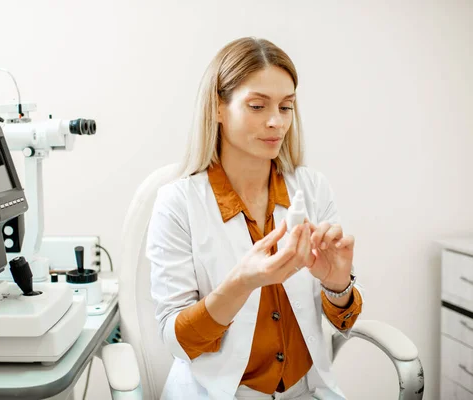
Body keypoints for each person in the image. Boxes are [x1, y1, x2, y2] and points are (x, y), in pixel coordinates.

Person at [146, 37, 363, 400]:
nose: (276, 122)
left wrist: (338, 284)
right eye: (258, 106)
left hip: (304, 390)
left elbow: (343, 320)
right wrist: (242, 283)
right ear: (217, 107)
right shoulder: (177, 203)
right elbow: (179, 341)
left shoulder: (312, 189)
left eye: (286, 106)